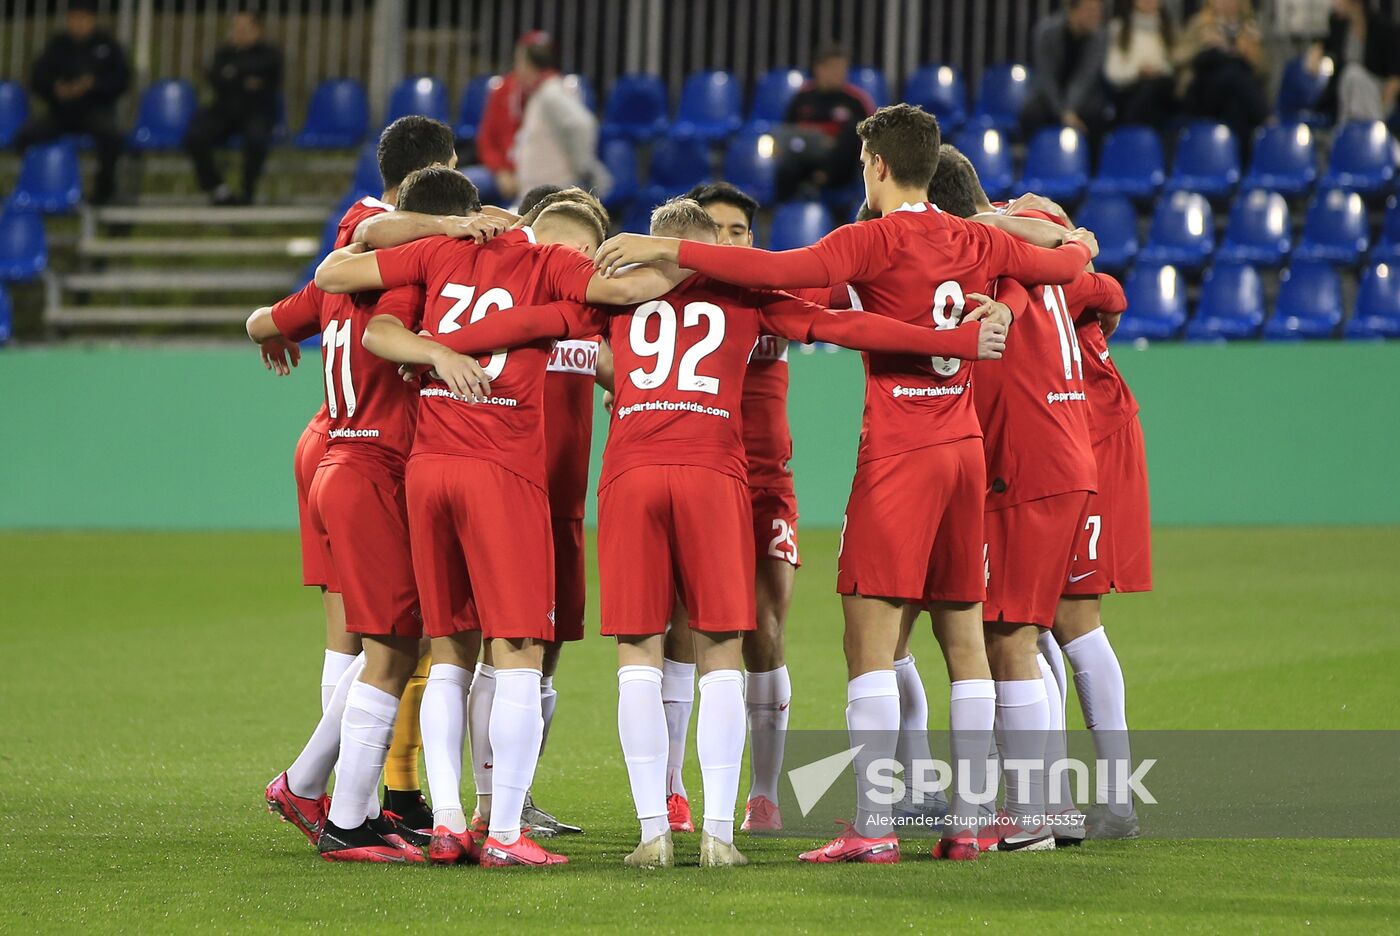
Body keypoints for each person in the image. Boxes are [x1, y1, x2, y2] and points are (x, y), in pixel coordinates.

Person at [375, 196, 1007, 869]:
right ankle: (718, 833)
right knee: (720, 658)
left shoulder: (613, 296)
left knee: (640, 658)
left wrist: (432, 350)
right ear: (706, 246)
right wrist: (952, 342)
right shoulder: (747, 292)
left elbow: (527, 321)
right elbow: (847, 328)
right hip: (713, 476)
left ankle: (653, 831)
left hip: (631, 477)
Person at [592, 104, 1098, 864]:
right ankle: (970, 821)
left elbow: (777, 271)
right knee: (964, 633)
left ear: (879, 167)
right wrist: (1074, 241)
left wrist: (664, 245)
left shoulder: (871, 240)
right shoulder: (977, 238)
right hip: (964, 449)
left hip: (899, 454)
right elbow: (1064, 270)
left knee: (870, 639)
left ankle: (874, 824)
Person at [313, 188, 702, 868]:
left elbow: (347, 289)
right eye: (569, 245)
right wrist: (698, 256)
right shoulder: (549, 268)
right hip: (504, 474)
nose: (575, 257)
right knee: (517, 655)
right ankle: (503, 833)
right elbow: (632, 293)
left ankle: (451, 822)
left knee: (454, 653)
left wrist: (437, 349)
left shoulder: (441, 256)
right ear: (538, 233)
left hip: (434, 468)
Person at [254, 168, 495, 863]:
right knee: (391, 647)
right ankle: (343, 820)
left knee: (395, 641)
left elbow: (263, 320)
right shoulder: (399, 282)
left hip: (342, 455)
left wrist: (269, 335)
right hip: (373, 469)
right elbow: (376, 292)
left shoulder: (339, 285)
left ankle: (310, 787)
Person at [927, 147, 1129, 855]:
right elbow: (1102, 287)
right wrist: (1069, 241)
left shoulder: (985, 247)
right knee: (1036, 629)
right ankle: (1063, 806)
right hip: (1066, 451)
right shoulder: (1031, 243)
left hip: (1027, 462)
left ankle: (1035, 810)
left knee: (1008, 634)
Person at [656, 181, 850, 834]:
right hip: (697, 474)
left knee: (764, 631)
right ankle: (672, 787)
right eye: (718, 229)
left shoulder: (774, 291)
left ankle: (763, 795)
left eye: (740, 231)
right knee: (682, 629)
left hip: (765, 486)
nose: (729, 240)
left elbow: (855, 290)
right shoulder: (666, 297)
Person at [15, 0, 130, 205]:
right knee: (26, 135)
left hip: (94, 109)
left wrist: (93, 86)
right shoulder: (58, 46)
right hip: (62, 112)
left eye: (84, 18)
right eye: (74, 18)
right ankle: (37, 185)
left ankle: (103, 193)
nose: (79, 23)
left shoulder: (106, 45)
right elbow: (38, 78)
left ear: (93, 20)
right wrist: (56, 89)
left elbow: (120, 80)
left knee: (112, 137)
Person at [184, 11, 283, 206]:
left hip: (257, 111)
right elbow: (214, 78)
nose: (239, 33)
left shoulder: (270, 55)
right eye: (236, 29)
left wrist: (233, 75)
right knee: (195, 135)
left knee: (256, 138)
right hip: (225, 111)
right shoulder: (224, 54)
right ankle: (217, 188)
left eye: (244, 29)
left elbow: (267, 81)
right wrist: (246, 79)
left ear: (257, 30)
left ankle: (247, 191)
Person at [507, 34, 611, 201]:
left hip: (554, 194)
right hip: (538, 192)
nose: (516, 69)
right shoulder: (539, 92)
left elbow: (581, 125)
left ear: (529, 64)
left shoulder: (551, 93)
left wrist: (582, 168)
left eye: (518, 61)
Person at [775, 45, 876, 202]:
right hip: (804, 158)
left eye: (843, 68)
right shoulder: (802, 97)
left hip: (840, 166)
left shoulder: (856, 100)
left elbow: (870, 139)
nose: (840, 74)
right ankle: (780, 210)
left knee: (852, 131)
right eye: (834, 68)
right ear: (818, 69)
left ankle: (820, 180)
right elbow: (788, 131)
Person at [1175, 0, 1270, 145]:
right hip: (1203, 90)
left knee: (1237, 109)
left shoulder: (1249, 28)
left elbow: (1263, 69)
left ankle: (1237, 162)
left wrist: (1249, 54)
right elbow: (1178, 56)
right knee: (1232, 72)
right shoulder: (1200, 23)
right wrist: (1203, 45)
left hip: (1235, 95)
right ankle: (1266, 118)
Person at [1022, 0, 1110, 141]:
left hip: (1083, 99)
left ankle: (1087, 161)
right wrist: (1063, 112)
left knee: (1097, 114)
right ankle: (1037, 157)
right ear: (1072, 10)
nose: (1097, 15)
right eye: (1091, 10)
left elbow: (1085, 78)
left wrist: (1069, 109)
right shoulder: (1046, 32)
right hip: (1050, 96)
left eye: (1099, 11)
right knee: (1031, 114)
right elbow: (1046, 77)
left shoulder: (1099, 36)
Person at [1308, 0, 1400, 125]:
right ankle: (1354, 131)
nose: (1335, 3)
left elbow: (1394, 77)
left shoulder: (1384, 29)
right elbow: (1325, 41)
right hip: (1346, 95)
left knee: (1353, 74)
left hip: (1377, 94)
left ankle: (1370, 126)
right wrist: (1316, 50)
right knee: (1350, 77)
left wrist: (1383, 105)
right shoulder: (1338, 25)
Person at [1104, 0, 1178, 131]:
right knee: (1143, 93)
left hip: (1161, 90)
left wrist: (1158, 70)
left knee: (1154, 88)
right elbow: (1112, 71)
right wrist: (1138, 71)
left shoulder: (1170, 30)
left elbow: (1175, 65)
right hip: (1128, 90)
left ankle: (1130, 134)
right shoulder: (1119, 28)